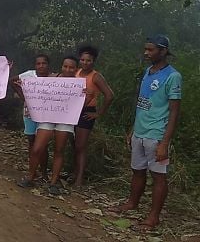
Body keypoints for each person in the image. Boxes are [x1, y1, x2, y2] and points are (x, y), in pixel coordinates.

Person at [110, 35, 181, 231]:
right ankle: (132, 203)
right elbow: (142, 103)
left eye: (150, 50)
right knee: (137, 170)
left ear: (163, 51)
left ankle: (153, 217)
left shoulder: (173, 76)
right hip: (140, 132)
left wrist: (165, 142)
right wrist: (133, 128)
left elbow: (175, 111)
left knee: (159, 176)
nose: (146, 53)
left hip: (157, 134)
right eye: (146, 49)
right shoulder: (148, 72)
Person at [18, 56, 80, 195]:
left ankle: (53, 182)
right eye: (65, 66)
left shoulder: (79, 85)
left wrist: (84, 95)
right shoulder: (52, 79)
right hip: (47, 117)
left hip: (65, 119)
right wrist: (26, 88)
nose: (67, 69)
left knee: (59, 150)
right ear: (61, 67)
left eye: (71, 67)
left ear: (76, 69)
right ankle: (31, 176)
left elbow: (85, 99)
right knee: (37, 148)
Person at [73, 45, 114, 186]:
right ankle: (74, 173)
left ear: (93, 61)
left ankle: (79, 179)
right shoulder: (76, 72)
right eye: (83, 60)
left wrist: (99, 113)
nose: (85, 63)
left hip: (86, 113)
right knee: (74, 144)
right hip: (73, 111)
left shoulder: (96, 77)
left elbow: (109, 95)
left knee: (80, 146)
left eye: (88, 60)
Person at [11, 54, 51, 180]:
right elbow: (12, 80)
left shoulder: (54, 78)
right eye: (38, 64)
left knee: (43, 144)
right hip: (29, 113)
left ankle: (44, 172)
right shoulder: (29, 75)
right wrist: (23, 96)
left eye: (43, 63)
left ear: (48, 65)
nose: (41, 66)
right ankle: (32, 170)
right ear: (35, 65)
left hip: (46, 114)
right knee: (31, 141)